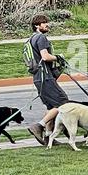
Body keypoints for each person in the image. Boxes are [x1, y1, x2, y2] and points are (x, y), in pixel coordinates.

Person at [27, 14, 69, 145]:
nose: (47, 25)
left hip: (38, 78)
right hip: (45, 78)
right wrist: (58, 57)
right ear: (37, 26)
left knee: (51, 107)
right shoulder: (41, 38)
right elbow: (45, 57)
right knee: (62, 103)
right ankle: (38, 126)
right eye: (44, 23)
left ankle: (48, 137)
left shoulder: (31, 39)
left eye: (46, 22)